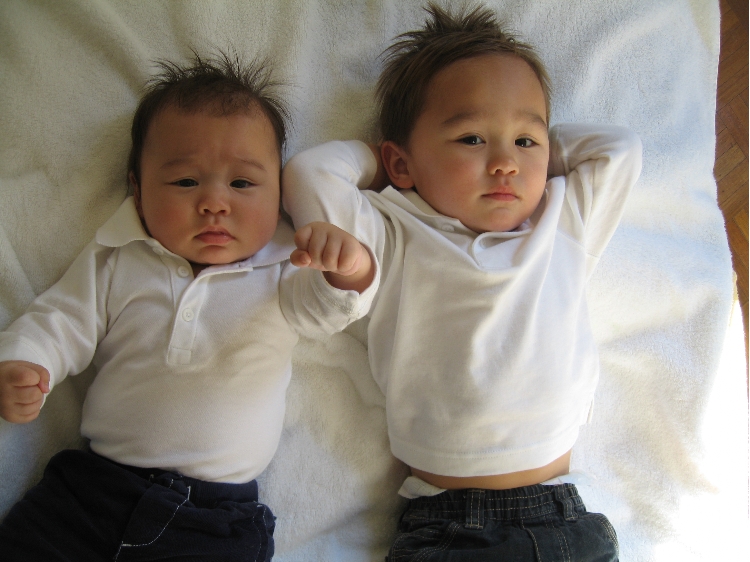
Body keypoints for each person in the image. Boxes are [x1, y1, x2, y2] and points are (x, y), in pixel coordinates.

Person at [282, 3, 642, 560]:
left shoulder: (561, 220)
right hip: (445, 524)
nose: (505, 163)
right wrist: (390, 167)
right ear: (401, 164)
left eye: (524, 142)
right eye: (471, 139)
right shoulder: (394, 228)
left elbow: (619, 150)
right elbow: (311, 172)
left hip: (560, 517)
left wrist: (536, 150)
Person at [0, 52, 374, 561]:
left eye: (242, 183)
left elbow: (330, 308)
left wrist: (347, 266)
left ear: (279, 195)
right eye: (185, 182)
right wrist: (27, 361)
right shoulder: (120, 256)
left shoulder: (286, 266)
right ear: (137, 190)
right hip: (92, 493)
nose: (215, 202)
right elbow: (62, 318)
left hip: (215, 520)